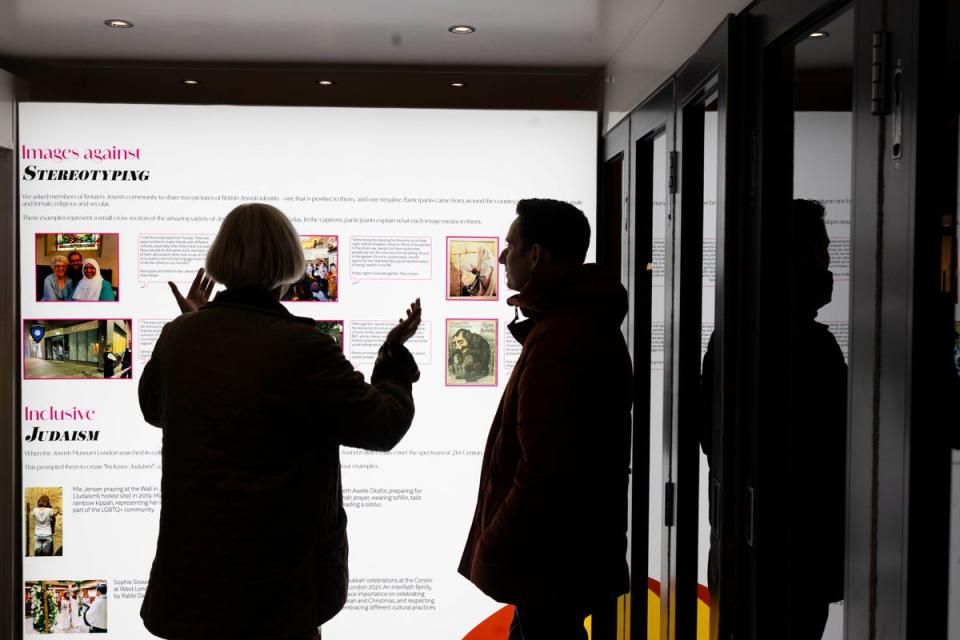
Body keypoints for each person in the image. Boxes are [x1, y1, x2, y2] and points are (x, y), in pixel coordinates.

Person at [138, 202, 422, 640]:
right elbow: (382, 425)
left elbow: (154, 409)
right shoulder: (302, 347)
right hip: (275, 598)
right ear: (287, 263)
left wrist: (195, 325)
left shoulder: (179, 335)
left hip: (191, 594)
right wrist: (393, 360)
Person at [459, 198, 632, 639]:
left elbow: (546, 469)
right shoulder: (571, 325)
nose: (501, 256)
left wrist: (495, 540)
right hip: (561, 559)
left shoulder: (562, 338)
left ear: (536, 256)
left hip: (549, 561)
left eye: (511, 244)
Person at [700, 199, 847, 639]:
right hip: (794, 557)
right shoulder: (809, 345)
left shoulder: (732, 334)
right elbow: (835, 445)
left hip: (742, 553)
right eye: (819, 249)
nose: (826, 260)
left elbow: (712, 435)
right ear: (794, 258)